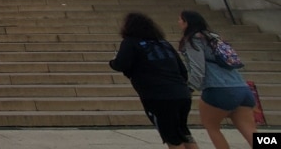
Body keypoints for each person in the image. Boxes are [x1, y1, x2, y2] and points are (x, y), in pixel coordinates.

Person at [108, 12, 198, 149]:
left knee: (171, 136)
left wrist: (112, 62)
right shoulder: (163, 43)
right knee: (183, 132)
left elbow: (121, 64)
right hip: (181, 93)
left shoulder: (131, 42)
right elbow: (182, 70)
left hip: (158, 96)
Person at [178, 10, 257, 149]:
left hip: (217, 89)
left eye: (180, 20)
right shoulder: (215, 37)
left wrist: (190, 88)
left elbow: (198, 67)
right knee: (252, 131)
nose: (178, 23)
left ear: (187, 22)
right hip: (241, 88)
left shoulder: (192, 40)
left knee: (212, 127)